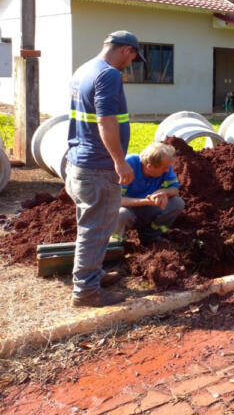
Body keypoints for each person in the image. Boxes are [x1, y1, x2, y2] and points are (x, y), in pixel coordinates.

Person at [66, 30, 145, 307]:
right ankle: (86, 290)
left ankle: (93, 275)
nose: (131, 64)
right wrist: (119, 161)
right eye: (134, 58)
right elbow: (106, 121)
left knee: (90, 224)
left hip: (78, 162)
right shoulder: (109, 74)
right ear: (127, 50)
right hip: (98, 168)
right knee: (96, 228)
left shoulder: (84, 69)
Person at [115, 142, 185, 245]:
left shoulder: (165, 165)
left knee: (177, 203)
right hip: (128, 208)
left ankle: (150, 237)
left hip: (148, 208)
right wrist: (147, 201)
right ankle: (116, 243)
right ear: (149, 166)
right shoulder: (128, 166)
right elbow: (116, 200)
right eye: (164, 168)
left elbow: (175, 189)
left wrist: (163, 192)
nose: (167, 170)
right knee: (121, 214)